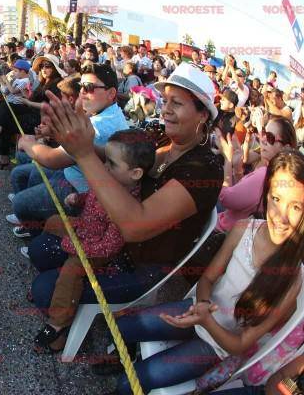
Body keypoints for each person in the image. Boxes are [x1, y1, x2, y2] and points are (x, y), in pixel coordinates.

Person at [97, 150, 304, 394]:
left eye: (296, 207)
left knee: (130, 382)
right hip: (197, 309)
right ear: (266, 193)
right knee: (120, 327)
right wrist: (202, 306)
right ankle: (127, 355)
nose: (281, 216)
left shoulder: (293, 281)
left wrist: (206, 319)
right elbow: (208, 278)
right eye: (276, 199)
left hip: (218, 346)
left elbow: (239, 345)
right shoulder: (244, 229)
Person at [33, 62, 223, 310]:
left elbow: (135, 227)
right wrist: (78, 142)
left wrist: (83, 154)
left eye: (176, 103)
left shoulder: (204, 168)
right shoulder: (162, 138)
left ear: (203, 114)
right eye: (165, 101)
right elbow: (121, 160)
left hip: (142, 265)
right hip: (111, 238)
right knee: (40, 250)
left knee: (43, 288)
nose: (165, 110)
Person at [29, 129, 156, 353]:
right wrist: (79, 198)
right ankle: (48, 287)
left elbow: (109, 247)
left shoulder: (127, 205)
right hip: (85, 227)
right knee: (53, 221)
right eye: (105, 160)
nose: (105, 167)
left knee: (72, 270)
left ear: (135, 173)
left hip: (97, 249)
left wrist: (73, 246)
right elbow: (94, 194)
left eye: (112, 164)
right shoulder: (111, 182)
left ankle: (59, 324)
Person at [11, 63, 128, 237]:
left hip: (80, 190)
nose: (82, 92)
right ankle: (39, 220)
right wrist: (52, 133)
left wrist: (27, 143)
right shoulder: (106, 111)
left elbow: (52, 159)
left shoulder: (101, 124)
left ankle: (38, 233)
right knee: (29, 173)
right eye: (81, 86)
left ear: (111, 93)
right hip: (73, 171)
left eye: (89, 88)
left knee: (19, 200)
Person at [214, 117, 297, 232]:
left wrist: (227, 159)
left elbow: (226, 198)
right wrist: (238, 171)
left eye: (270, 137)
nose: (262, 139)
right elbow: (247, 200)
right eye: (263, 134)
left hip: (223, 230)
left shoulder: (265, 174)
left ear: (286, 148)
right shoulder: (276, 172)